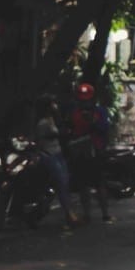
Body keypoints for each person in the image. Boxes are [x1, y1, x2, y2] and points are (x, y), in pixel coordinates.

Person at [64, 82, 114, 224]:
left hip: (95, 152)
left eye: (87, 98)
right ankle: (87, 214)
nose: (84, 101)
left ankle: (105, 214)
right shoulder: (73, 112)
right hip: (80, 153)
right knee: (83, 185)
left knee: (99, 184)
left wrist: (92, 123)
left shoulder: (100, 112)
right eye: (82, 98)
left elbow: (104, 129)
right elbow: (69, 129)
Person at [34, 97, 80, 228]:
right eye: (52, 104)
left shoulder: (54, 119)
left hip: (58, 153)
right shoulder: (43, 123)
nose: (55, 105)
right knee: (61, 183)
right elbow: (42, 140)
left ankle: (69, 213)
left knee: (65, 184)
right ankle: (69, 214)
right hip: (49, 155)